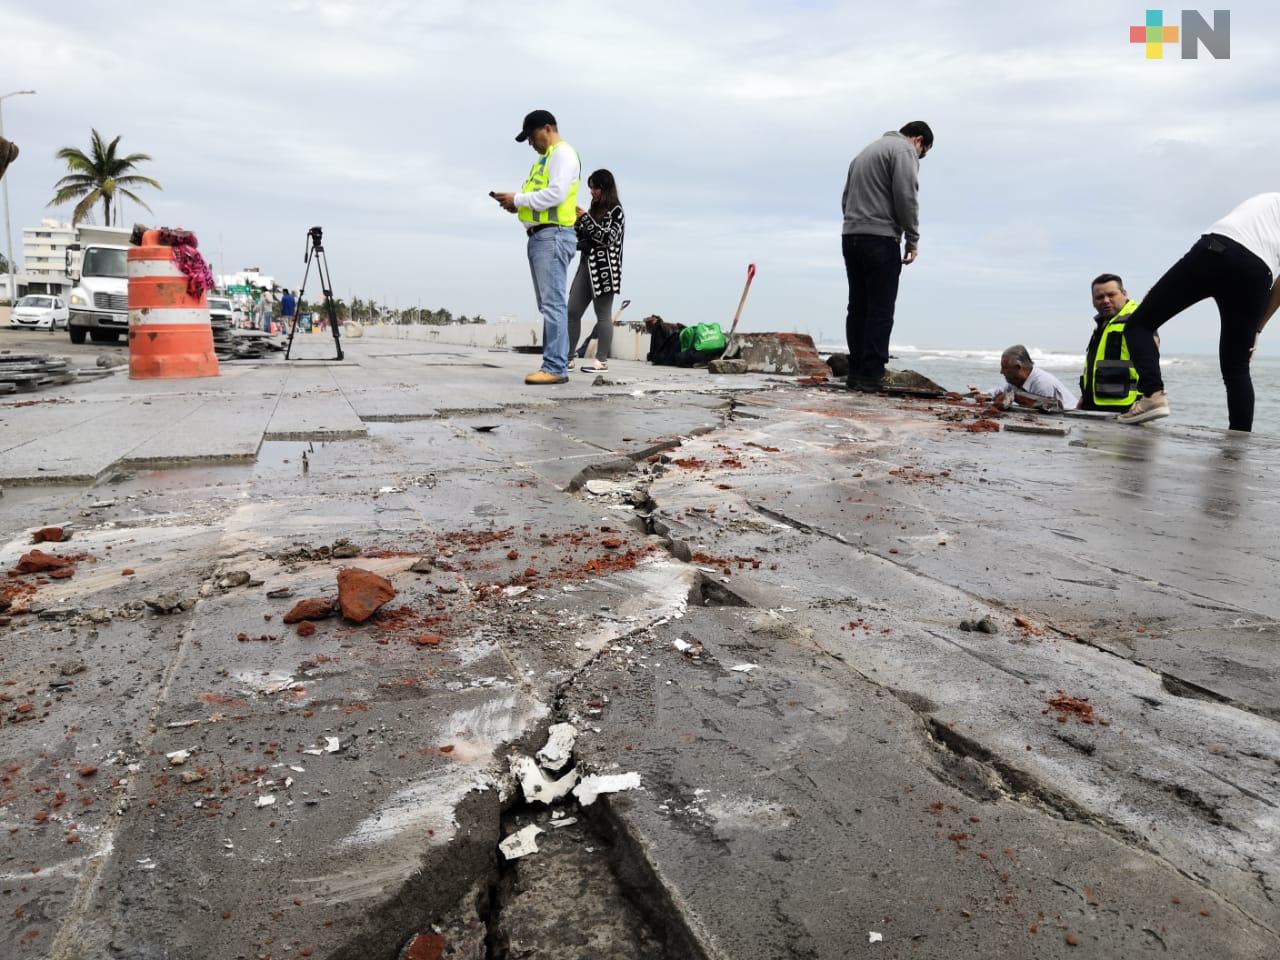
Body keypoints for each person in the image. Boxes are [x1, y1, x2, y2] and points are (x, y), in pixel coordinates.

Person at [1120, 194, 1280, 430]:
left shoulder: (1271, 199)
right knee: (1236, 367)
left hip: (1218, 250)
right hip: (1258, 272)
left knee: (1139, 325)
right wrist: (1257, 327)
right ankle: (1240, 440)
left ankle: (1153, 394)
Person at [842, 121, 933, 391]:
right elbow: (906, 197)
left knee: (858, 307)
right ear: (918, 140)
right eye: (923, 153)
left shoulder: (864, 153)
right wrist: (912, 239)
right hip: (881, 238)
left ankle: (855, 373)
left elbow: (845, 198)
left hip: (851, 235)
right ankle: (871, 375)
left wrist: (855, 225)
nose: (920, 158)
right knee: (881, 309)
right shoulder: (903, 151)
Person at [492, 110, 581, 385]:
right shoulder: (547, 158)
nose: (531, 144)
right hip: (542, 237)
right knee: (549, 303)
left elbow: (556, 193)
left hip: (552, 237)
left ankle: (555, 367)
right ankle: (554, 363)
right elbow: (543, 199)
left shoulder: (562, 154)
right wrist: (516, 205)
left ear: (546, 129)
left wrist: (518, 199)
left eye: (531, 137)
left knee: (553, 303)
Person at [567, 169, 625, 373]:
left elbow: (607, 238)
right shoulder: (594, 209)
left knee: (603, 314)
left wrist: (585, 219)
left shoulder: (616, 211)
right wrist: (576, 222)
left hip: (605, 270)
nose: (592, 191)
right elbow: (586, 236)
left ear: (605, 188)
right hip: (586, 266)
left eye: (595, 187)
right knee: (572, 311)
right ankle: (568, 357)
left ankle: (601, 362)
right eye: (590, 187)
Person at [1078, 273, 1141, 411]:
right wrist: (1085, 398)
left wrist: (1146, 401)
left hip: (1126, 407)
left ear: (1124, 293)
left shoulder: (1137, 320)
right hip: (1094, 405)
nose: (1106, 300)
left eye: (1111, 295)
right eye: (1100, 297)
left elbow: (1149, 362)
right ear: (1093, 301)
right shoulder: (1102, 325)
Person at [979, 345, 1078, 410]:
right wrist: (985, 395)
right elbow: (1001, 391)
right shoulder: (1015, 381)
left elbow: (1046, 413)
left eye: (1005, 368)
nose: (1001, 372)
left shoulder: (1042, 383)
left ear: (1018, 368)